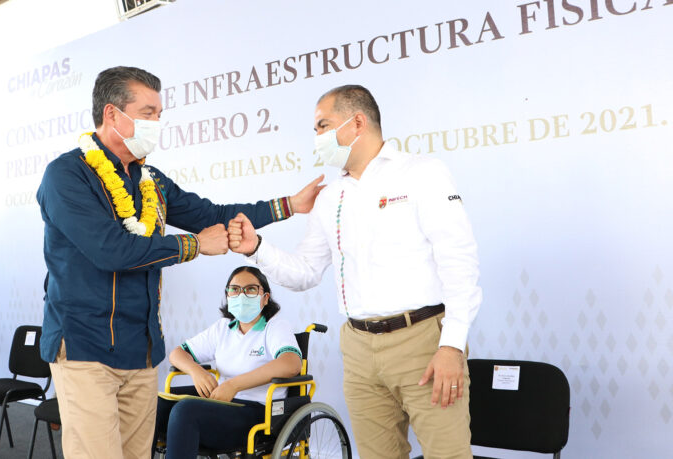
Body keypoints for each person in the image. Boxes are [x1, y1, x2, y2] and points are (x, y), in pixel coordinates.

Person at [36, 66, 322, 459]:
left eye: (159, 114)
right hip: (85, 347)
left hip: (140, 350)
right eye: (148, 112)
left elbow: (214, 214)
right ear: (112, 115)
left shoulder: (150, 179)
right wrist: (193, 246)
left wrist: (288, 205)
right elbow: (111, 250)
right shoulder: (66, 175)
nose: (157, 123)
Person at [228, 85, 482, 459]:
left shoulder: (422, 172)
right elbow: (306, 272)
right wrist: (257, 248)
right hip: (359, 347)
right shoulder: (331, 197)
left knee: (448, 455)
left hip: (423, 342)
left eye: (322, 125)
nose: (317, 137)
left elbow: (459, 262)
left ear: (357, 122)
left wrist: (451, 346)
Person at [154, 266, 302, 458]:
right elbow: (177, 353)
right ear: (228, 296)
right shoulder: (223, 328)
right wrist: (196, 372)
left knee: (185, 410)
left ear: (265, 298)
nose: (241, 294)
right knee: (156, 403)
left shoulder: (275, 326)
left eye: (250, 289)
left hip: (259, 411)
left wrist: (234, 385)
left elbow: (291, 364)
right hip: (222, 402)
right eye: (234, 289)